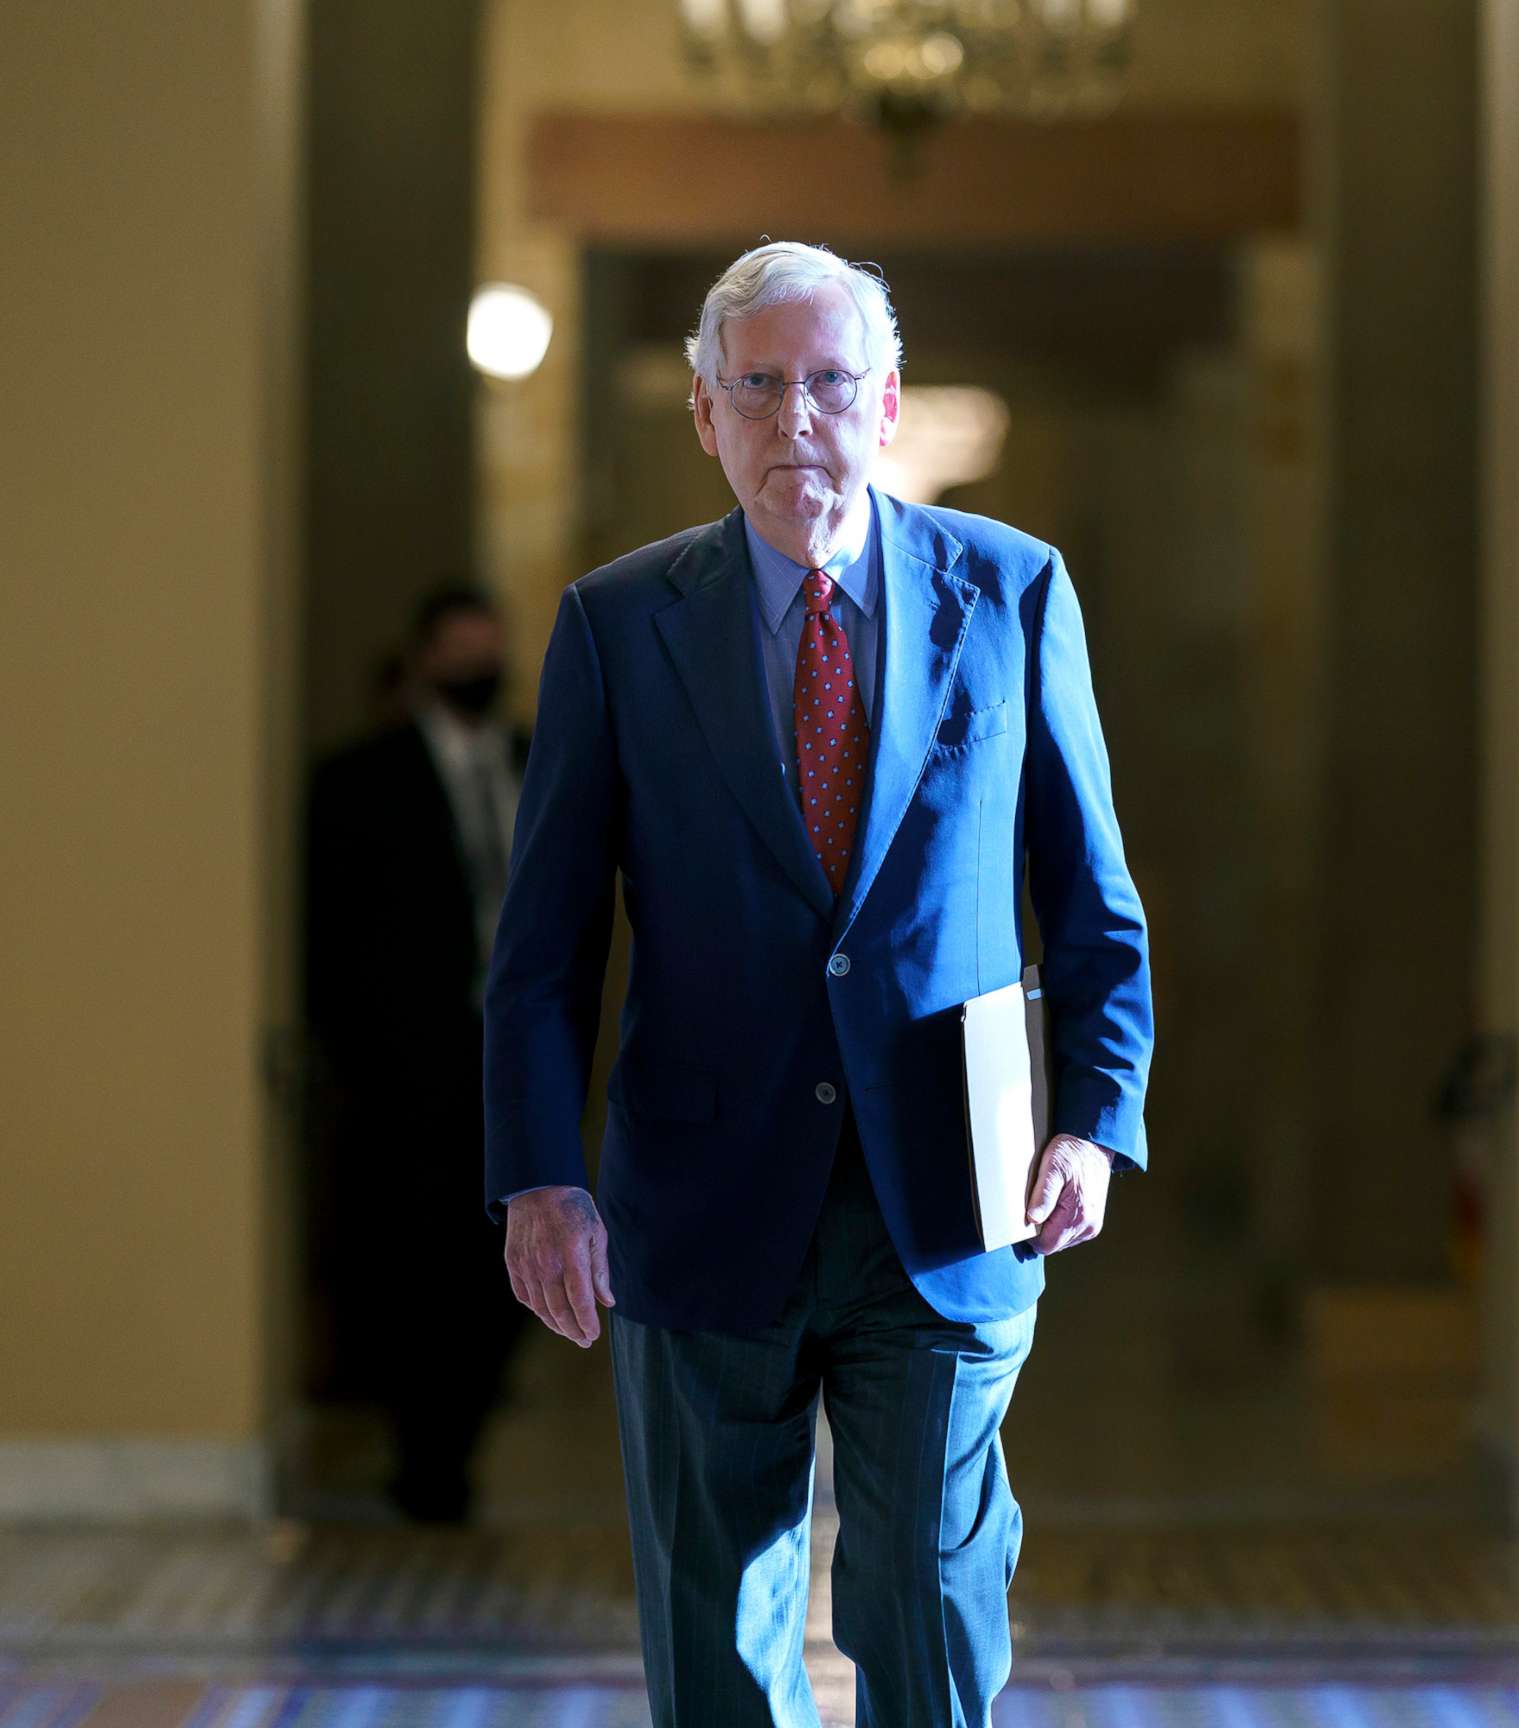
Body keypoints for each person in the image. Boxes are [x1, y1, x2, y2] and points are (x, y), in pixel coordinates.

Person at [483, 240, 1154, 1723]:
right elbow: (540, 950)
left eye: (832, 383)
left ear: (890, 403)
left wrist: (1096, 1120)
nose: (800, 419)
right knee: (717, 1634)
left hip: (952, 1192)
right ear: (705, 419)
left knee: (930, 1606)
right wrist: (540, 1179)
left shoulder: (1014, 590)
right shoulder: (617, 625)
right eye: (761, 386)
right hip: (702, 1194)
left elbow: (1092, 895)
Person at [303, 584, 530, 1522]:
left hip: (518, 1055)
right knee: (415, 1261)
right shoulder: (362, 778)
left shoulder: (535, 758)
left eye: (492, 649)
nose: (480, 669)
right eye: (462, 651)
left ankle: (465, 1428)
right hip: (412, 1065)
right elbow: (329, 933)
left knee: (515, 1256)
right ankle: (428, 1461)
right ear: (426, 658)